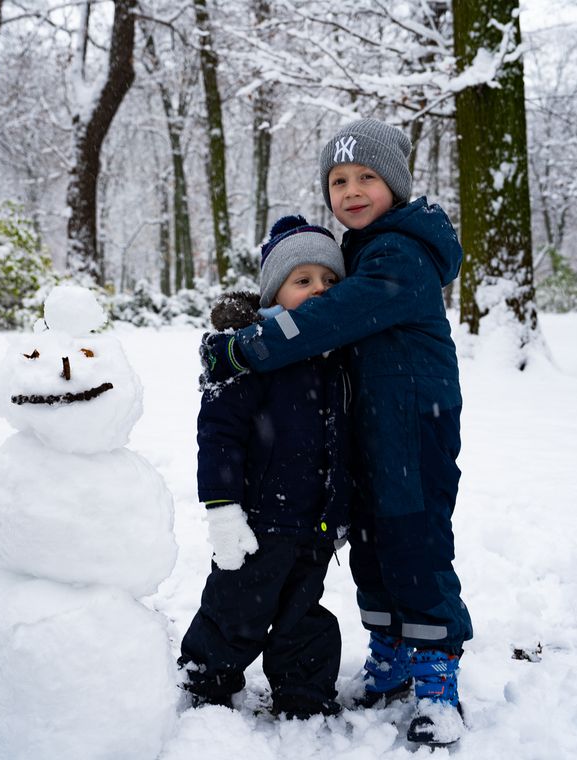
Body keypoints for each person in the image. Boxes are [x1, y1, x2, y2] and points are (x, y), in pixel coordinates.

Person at [199, 118, 473, 746]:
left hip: (415, 426)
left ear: (396, 185)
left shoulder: (399, 253)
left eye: (367, 177)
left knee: (416, 540)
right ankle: (392, 652)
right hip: (372, 428)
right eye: (339, 180)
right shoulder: (357, 249)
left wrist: (247, 347)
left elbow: (329, 317)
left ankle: (436, 678)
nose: (351, 191)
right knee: (375, 539)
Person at [179, 215, 351, 720]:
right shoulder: (251, 353)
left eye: (329, 280)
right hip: (258, 521)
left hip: (314, 524)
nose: (319, 290)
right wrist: (222, 508)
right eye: (303, 281)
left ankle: (304, 691)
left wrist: (342, 505)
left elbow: (343, 441)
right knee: (236, 608)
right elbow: (219, 436)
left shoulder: (337, 357)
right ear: (274, 293)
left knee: (304, 615)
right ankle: (205, 679)